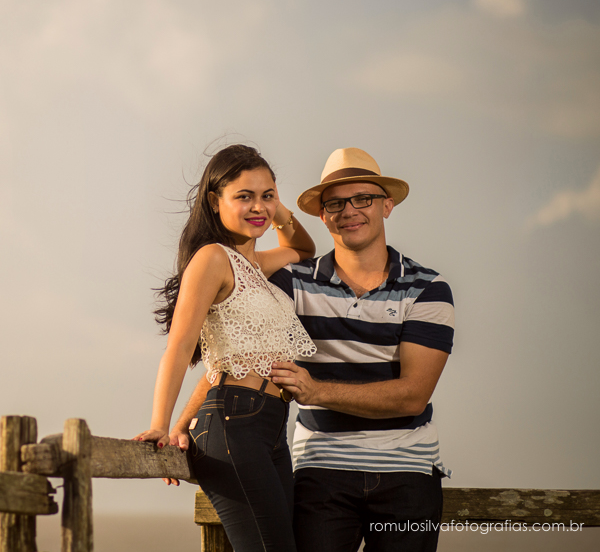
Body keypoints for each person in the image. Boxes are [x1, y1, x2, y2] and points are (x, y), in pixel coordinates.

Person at [171, 147, 454, 552]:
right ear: (323, 216)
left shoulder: (428, 289)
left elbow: (413, 395)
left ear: (387, 205)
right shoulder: (292, 283)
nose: (350, 211)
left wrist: (316, 390)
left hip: (407, 471)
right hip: (320, 471)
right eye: (335, 203)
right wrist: (183, 424)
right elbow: (236, 354)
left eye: (364, 199)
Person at [134, 143, 317, 552]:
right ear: (215, 201)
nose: (259, 207)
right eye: (244, 196)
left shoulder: (254, 264)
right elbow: (180, 347)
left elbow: (306, 248)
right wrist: (162, 424)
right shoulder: (212, 259)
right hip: (235, 421)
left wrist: (277, 209)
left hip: (271, 428)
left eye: (267, 195)